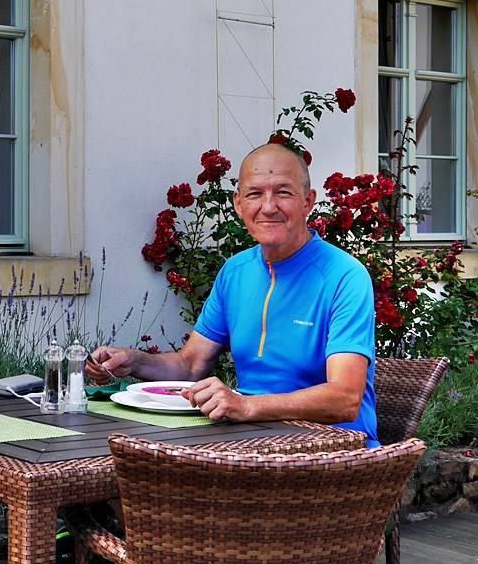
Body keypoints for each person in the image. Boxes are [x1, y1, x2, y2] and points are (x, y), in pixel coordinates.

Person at [91, 143, 379, 447]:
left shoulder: (344, 276)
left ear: (308, 202)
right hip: (252, 442)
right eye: (254, 194)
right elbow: (191, 365)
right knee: (133, 455)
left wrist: (247, 406)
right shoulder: (235, 272)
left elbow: (345, 398)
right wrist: (134, 362)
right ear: (239, 204)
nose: (268, 206)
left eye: (283, 192)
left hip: (337, 450)